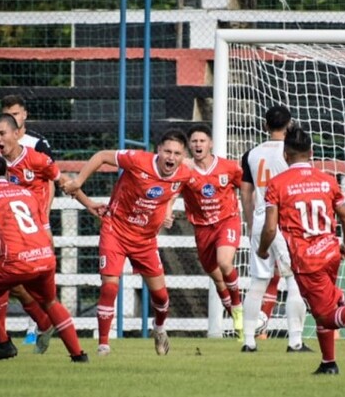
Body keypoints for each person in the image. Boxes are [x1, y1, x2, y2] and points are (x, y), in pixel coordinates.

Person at [0, 114, 102, 353]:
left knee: (14, 282)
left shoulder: (37, 159)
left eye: (2, 134)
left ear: (16, 133)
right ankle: (38, 329)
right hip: (6, 233)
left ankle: (9, 338)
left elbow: (64, 182)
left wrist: (89, 203)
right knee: (17, 285)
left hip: (36, 231)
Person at [257, 125, 345, 375]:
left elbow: (270, 229)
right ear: (311, 152)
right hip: (330, 252)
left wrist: (261, 250)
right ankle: (328, 363)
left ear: (285, 155)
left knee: (325, 316)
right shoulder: (327, 180)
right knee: (322, 306)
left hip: (306, 260)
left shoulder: (277, 184)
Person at [61, 129, 192, 357]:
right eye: (168, 151)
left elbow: (173, 192)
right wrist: (79, 181)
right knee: (110, 285)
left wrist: (167, 211)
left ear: (183, 156)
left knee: (161, 297)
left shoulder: (184, 174)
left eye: (177, 153)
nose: (171, 157)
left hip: (145, 239)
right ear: (158, 150)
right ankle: (103, 345)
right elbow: (102, 156)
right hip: (116, 229)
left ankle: (159, 329)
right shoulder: (138, 160)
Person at [0, 155, 88, 362]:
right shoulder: (28, 193)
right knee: (50, 302)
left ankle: (3, 344)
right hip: (44, 257)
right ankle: (78, 355)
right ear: (8, 173)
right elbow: (43, 229)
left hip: (14, 262)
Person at [0, 94, 56, 348]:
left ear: (24, 115)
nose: (12, 117)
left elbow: (50, 180)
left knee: (30, 277)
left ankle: (36, 327)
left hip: (31, 222)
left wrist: (43, 219)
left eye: (15, 113)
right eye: (7, 113)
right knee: (6, 278)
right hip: (3, 223)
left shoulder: (38, 144)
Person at [240, 105, 311, 353]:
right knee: (294, 280)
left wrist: (250, 224)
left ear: (265, 126)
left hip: (260, 219)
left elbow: (246, 192)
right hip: (284, 221)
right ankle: (295, 341)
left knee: (258, 281)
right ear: (289, 125)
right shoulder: (293, 152)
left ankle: (248, 341)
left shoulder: (251, 153)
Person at [179, 124, 244, 339]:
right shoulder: (184, 170)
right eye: (194, 141)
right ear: (189, 145)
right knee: (217, 278)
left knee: (225, 263)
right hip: (202, 228)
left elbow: (246, 186)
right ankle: (238, 324)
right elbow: (171, 191)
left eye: (202, 141)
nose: (198, 144)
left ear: (211, 143)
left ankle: (238, 308)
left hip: (227, 221)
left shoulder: (228, 167)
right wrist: (167, 211)